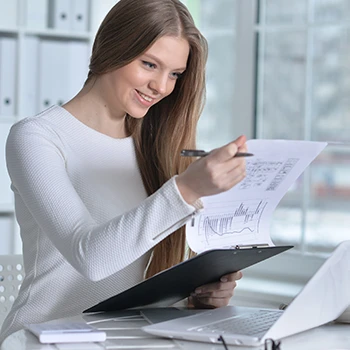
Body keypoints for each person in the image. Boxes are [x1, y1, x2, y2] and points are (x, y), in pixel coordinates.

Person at [0, 0, 247, 343]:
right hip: (40, 339)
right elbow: (92, 258)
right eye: (149, 64)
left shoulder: (154, 146)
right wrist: (186, 190)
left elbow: (132, 273)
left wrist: (195, 298)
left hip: (119, 337)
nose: (161, 87)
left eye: (175, 74)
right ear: (112, 49)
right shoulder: (36, 138)